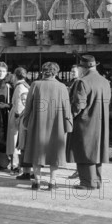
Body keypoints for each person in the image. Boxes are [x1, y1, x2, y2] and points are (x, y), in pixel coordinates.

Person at [22, 62, 73, 190]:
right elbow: (67, 109)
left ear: (43, 71)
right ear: (56, 72)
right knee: (54, 153)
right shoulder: (62, 87)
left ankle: (37, 182)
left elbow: (28, 106)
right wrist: (68, 126)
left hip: (37, 124)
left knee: (36, 152)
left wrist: (25, 122)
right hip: (57, 124)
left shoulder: (35, 85)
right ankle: (52, 182)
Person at [67, 55, 111, 190]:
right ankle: (96, 181)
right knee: (96, 151)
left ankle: (87, 182)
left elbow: (78, 105)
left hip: (85, 123)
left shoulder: (83, 82)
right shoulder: (105, 82)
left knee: (83, 152)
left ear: (83, 68)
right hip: (101, 122)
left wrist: (69, 117)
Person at [6, 67, 30, 174]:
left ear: (15, 76)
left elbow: (20, 104)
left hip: (18, 117)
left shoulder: (20, 87)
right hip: (20, 116)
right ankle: (17, 165)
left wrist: (17, 118)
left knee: (15, 142)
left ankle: (15, 166)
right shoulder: (25, 85)